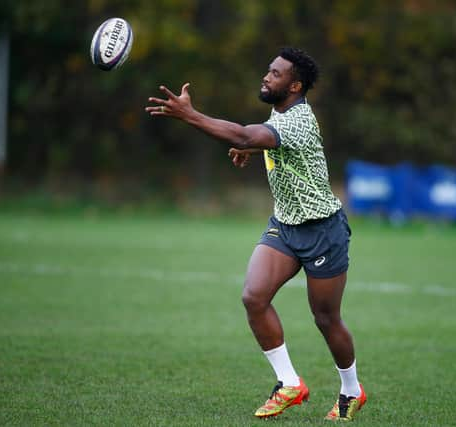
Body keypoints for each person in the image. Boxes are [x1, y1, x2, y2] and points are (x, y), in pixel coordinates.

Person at [145, 46, 367, 421]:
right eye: (269, 70)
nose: (267, 76)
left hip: (322, 231)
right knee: (253, 297)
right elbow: (260, 139)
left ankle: (351, 390)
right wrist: (257, 150)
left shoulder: (299, 119)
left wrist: (191, 115)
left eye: (276, 74)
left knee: (326, 319)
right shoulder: (279, 113)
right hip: (284, 224)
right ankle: (290, 383)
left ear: (295, 86)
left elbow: (247, 135)